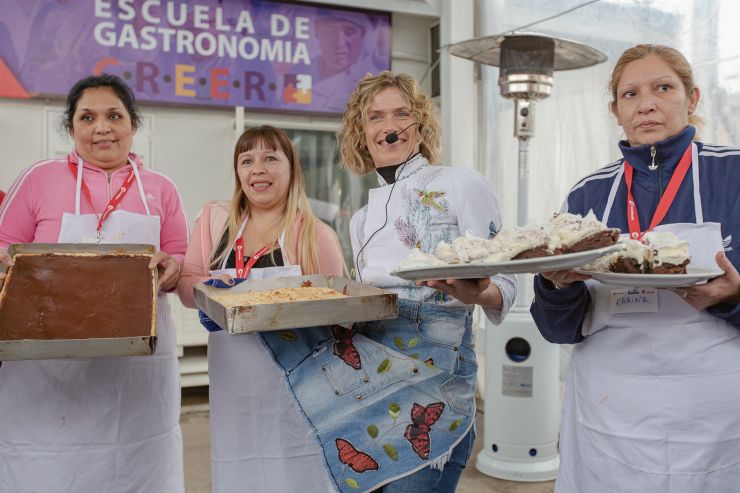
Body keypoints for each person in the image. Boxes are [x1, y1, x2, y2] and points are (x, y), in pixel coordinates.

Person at [530, 44, 740, 492]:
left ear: (693, 98)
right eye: (630, 94)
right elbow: (558, 329)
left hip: (713, 408)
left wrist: (734, 298)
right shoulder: (586, 197)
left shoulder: (733, 175)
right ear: (615, 110)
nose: (646, 103)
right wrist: (555, 285)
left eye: (663, 88)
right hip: (610, 409)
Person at [0, 74, 188, 491]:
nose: (101, 127)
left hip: (137, 368)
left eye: (113, 116)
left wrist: (170, 268)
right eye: (87, 117)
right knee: (50, 472)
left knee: (137, 467)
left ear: (133, 125)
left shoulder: (161, 189)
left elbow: (179, 261)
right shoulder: (39, 178)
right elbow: (3, 245)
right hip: (49, 366)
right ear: (71, 128)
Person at [336, 71, 516, 492]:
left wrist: (478, 292)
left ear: (420, 125)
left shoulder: (460, 183)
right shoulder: (361, 219)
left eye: (402, 114)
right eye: (376, 117)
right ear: (362, 134)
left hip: (437, 371)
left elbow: (506, 281)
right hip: (373, 378)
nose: (390, 126)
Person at [176, 126, 345, 493]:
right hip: (233, 383)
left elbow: (341, 313)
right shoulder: (215, 220)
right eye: (247, 160)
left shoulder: (315, 234)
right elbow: (186, 283)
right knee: (241, 472)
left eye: (271, 158)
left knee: (297, 473)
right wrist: (208, 292)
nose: (258, 169)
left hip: (298, 384)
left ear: (291, 168)